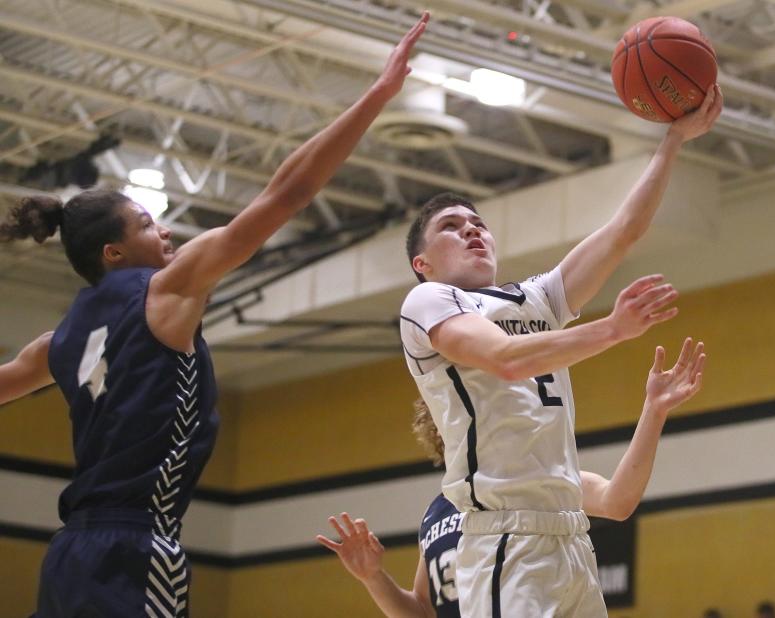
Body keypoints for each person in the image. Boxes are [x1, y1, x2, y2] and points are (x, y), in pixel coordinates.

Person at [0, 13, 429, 617]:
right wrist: (377, 94)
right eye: (148, 223)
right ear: (113, 253)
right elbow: (287, 194)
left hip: (68, 554)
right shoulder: (166, 291)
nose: (165, 227)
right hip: (137, 545)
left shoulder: (54, 344)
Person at [397, 83, 721, 617]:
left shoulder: (536, 297)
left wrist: (673, 141)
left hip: (572, 538)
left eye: (477, 223)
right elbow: (506, 359)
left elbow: (624, 232)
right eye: (450, 228)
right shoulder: (428, 300)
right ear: (422, 262)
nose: (472, 231)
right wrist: (612, 330)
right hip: (506, 536)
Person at [318, 340, 706, 616]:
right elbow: (422, 611)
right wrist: (372, 577)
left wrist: (654, 412)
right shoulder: (435, 513)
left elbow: (617, 501)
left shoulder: (539, 477)